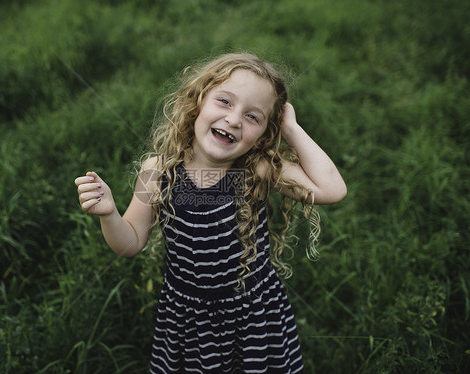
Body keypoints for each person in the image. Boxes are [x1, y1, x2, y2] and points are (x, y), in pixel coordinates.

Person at [75, 52, 347, 373]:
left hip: (252, 313)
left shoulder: (257, 169)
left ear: (263, 134)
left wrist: (291, 128)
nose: (234, 119)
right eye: (225, 102)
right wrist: (109, 214)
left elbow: (332, 190)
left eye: (253, 117)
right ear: (198, 101)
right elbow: (130, 243)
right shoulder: (158, 172)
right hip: (188, 318)